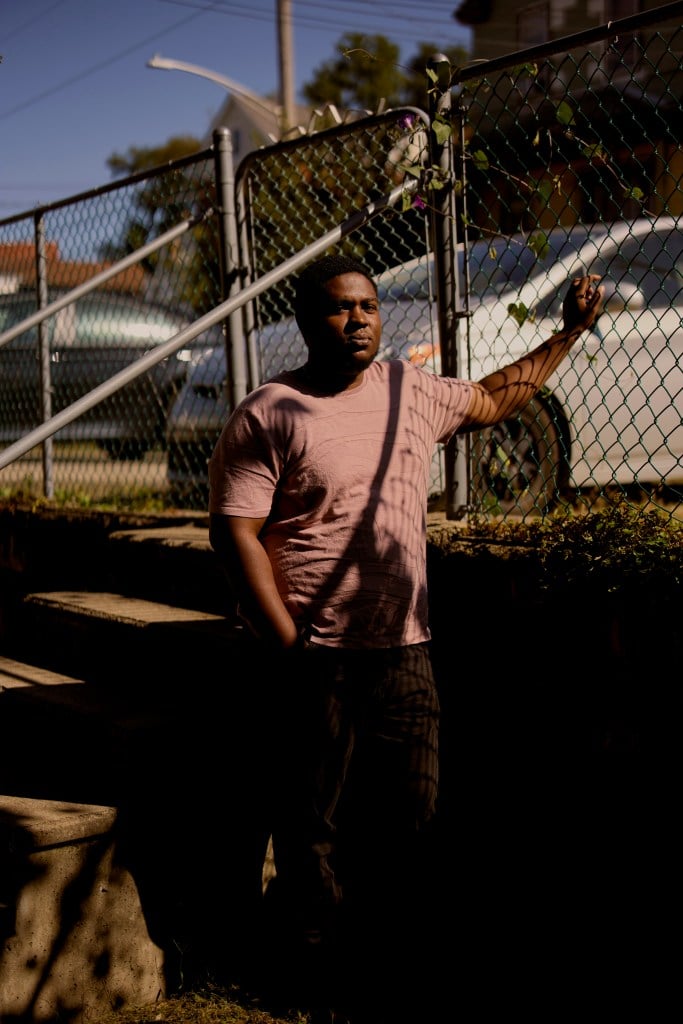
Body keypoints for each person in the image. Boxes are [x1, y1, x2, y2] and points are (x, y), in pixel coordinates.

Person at [207, 252, 603, 1023]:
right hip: (314, 655)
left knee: (412, 821)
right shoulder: (269, 412)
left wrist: (567, 335)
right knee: (312, 827)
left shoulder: (406, 390)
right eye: (337, 308)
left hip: (405, 653)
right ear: (305, 321)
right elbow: (235, 535)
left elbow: (492, 401)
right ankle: (313, 984)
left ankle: (393, 975)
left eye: (366, 306)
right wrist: (288, 644)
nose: (356, 319)